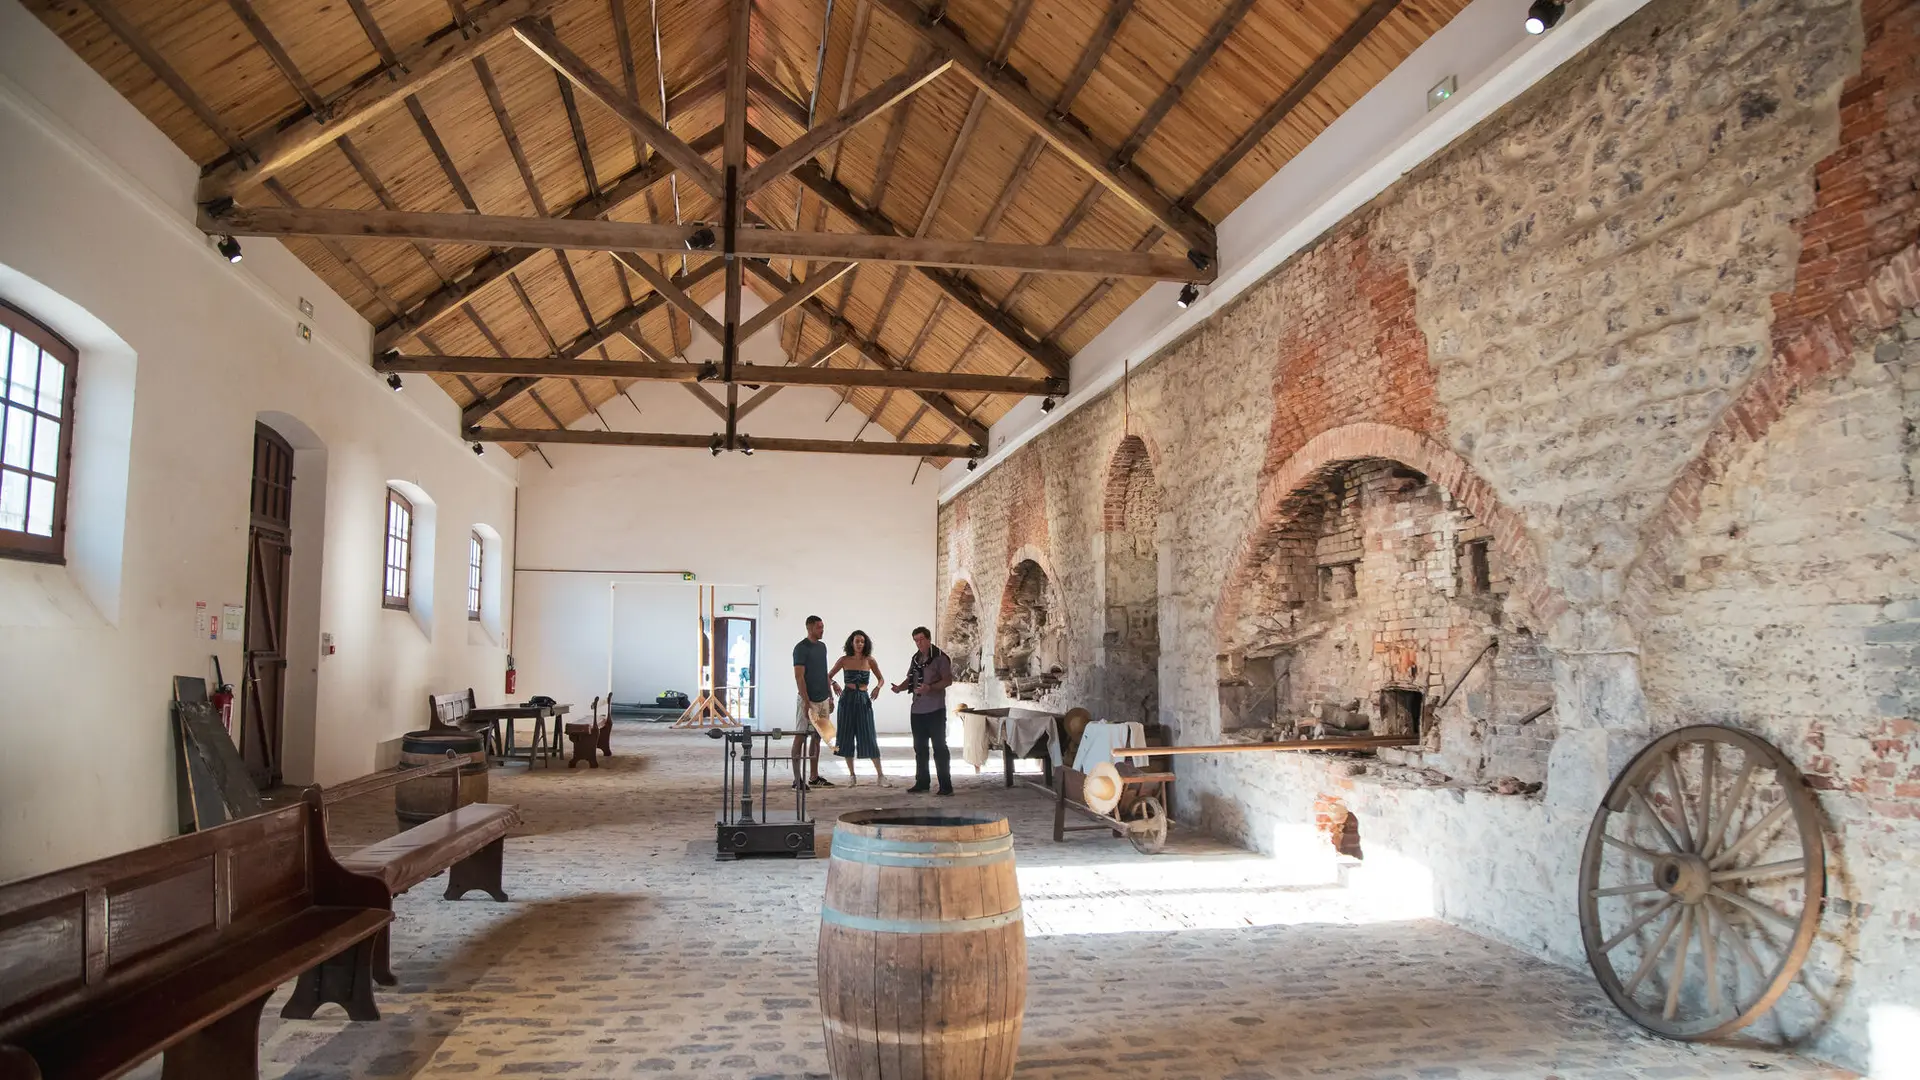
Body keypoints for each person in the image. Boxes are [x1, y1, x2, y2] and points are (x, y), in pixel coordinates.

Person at [891, 626, 954, 795]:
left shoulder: (940, 658)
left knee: (939, 747)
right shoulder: (916, 658)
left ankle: (945, 786)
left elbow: (948, 681)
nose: (918, 643)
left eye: (921, 639)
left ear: (928, 639)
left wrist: (930, 688)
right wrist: (899, 688)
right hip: (917, 710)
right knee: (920, 747)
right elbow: (910, 679)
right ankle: (922, 782)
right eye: (915, 640)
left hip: (935, 709)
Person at [829, 630, 892, 787]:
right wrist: (834, 684)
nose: (859, 644)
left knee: (868, 735)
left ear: (865, 644)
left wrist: (877, 688)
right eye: (857, 641)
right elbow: (828, 675)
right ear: (852, 643)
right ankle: (852, 775)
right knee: (846, 735)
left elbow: (881, 678)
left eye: (862, 641)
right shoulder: (844, 660)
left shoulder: (870, 660)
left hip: (863, 699)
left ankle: (880, 775)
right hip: (847, 699)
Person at [791, 616, 836, 789]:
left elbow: (824, 672)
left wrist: (830, 695)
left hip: (823, 698)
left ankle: (814, 776)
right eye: (819, 628)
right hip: (808, 700)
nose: (822, 630)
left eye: (823, 627)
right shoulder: (801, 648)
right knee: (801, 736)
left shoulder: (822, 647)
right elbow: (799, 676)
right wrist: (806, 701)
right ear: (810, 629)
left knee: (817, 737)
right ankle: (797, 779)